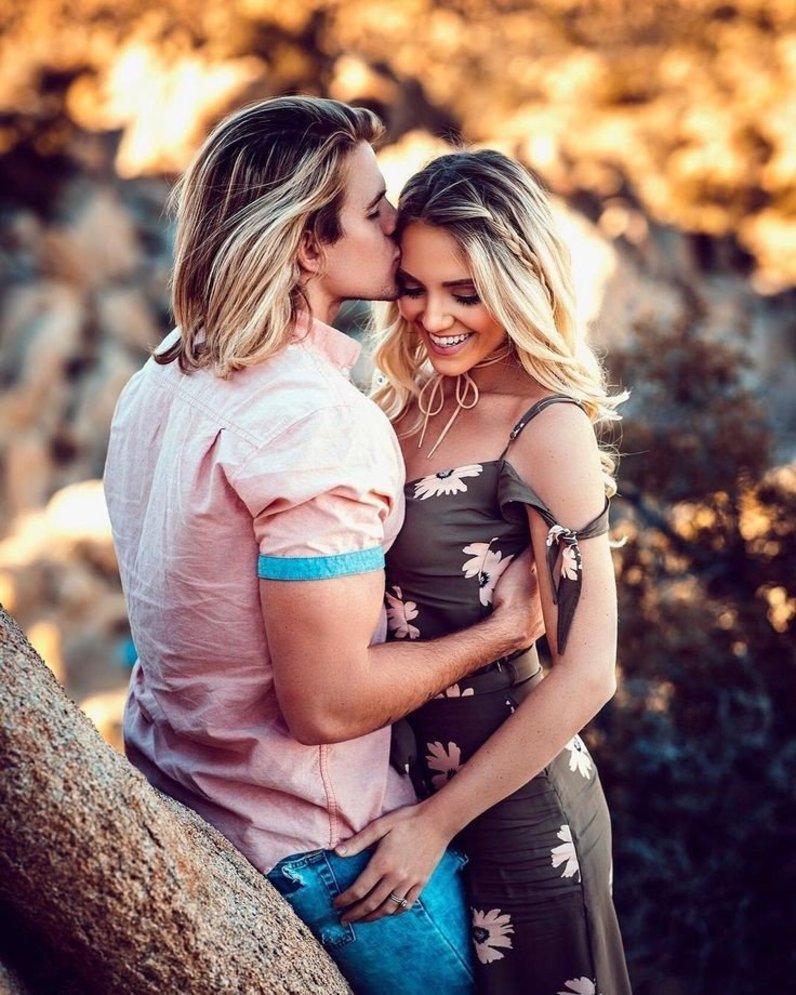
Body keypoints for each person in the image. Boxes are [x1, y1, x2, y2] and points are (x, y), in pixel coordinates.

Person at [103, 97, 543, 995]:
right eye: (375, 210)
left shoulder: (166, 370)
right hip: (322, 851)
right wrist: (503, 631)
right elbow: (329, 706)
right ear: (309, 243)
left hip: (183, 798)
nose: (398, 224)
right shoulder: (316, 422)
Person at [330, 149, 633, 995]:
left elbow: (589, 672)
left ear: (518, 280)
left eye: (465, 292)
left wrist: (435, 823)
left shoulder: (547, 426)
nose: (434, 316)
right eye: (414, 288)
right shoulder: (398, 405)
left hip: (524, 815)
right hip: (398, 793)